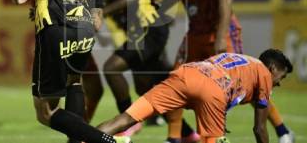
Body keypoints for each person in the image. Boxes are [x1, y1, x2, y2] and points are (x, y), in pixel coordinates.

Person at [162, 0, 294, 142]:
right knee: (175, 79)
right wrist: (161, 10)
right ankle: (174, 138)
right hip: (196, 31)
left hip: (221, 30)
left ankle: (283, 131)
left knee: (251, 82)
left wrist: (221, 36)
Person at [9, 0, 131, 143]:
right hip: (85, 31)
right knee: (75, 81)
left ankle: (104, 140)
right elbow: (97, 20)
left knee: (46, 112)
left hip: (55, 28)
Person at [93, 0, 200, 140]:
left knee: (111, 68)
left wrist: (102, 12)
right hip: (139, 33)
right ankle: (188, 135)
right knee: (149, 90)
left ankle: (129, 122)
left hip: (148, 29)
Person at [97, 49, 293, 143]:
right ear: (273, 68)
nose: (279, 82)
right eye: (281, 76)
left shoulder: (240, 59)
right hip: (213, 87)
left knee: (125, 118)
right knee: (213, 141)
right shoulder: (265, 75)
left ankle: (82, 139)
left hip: (186, 74)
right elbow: (259, 129)